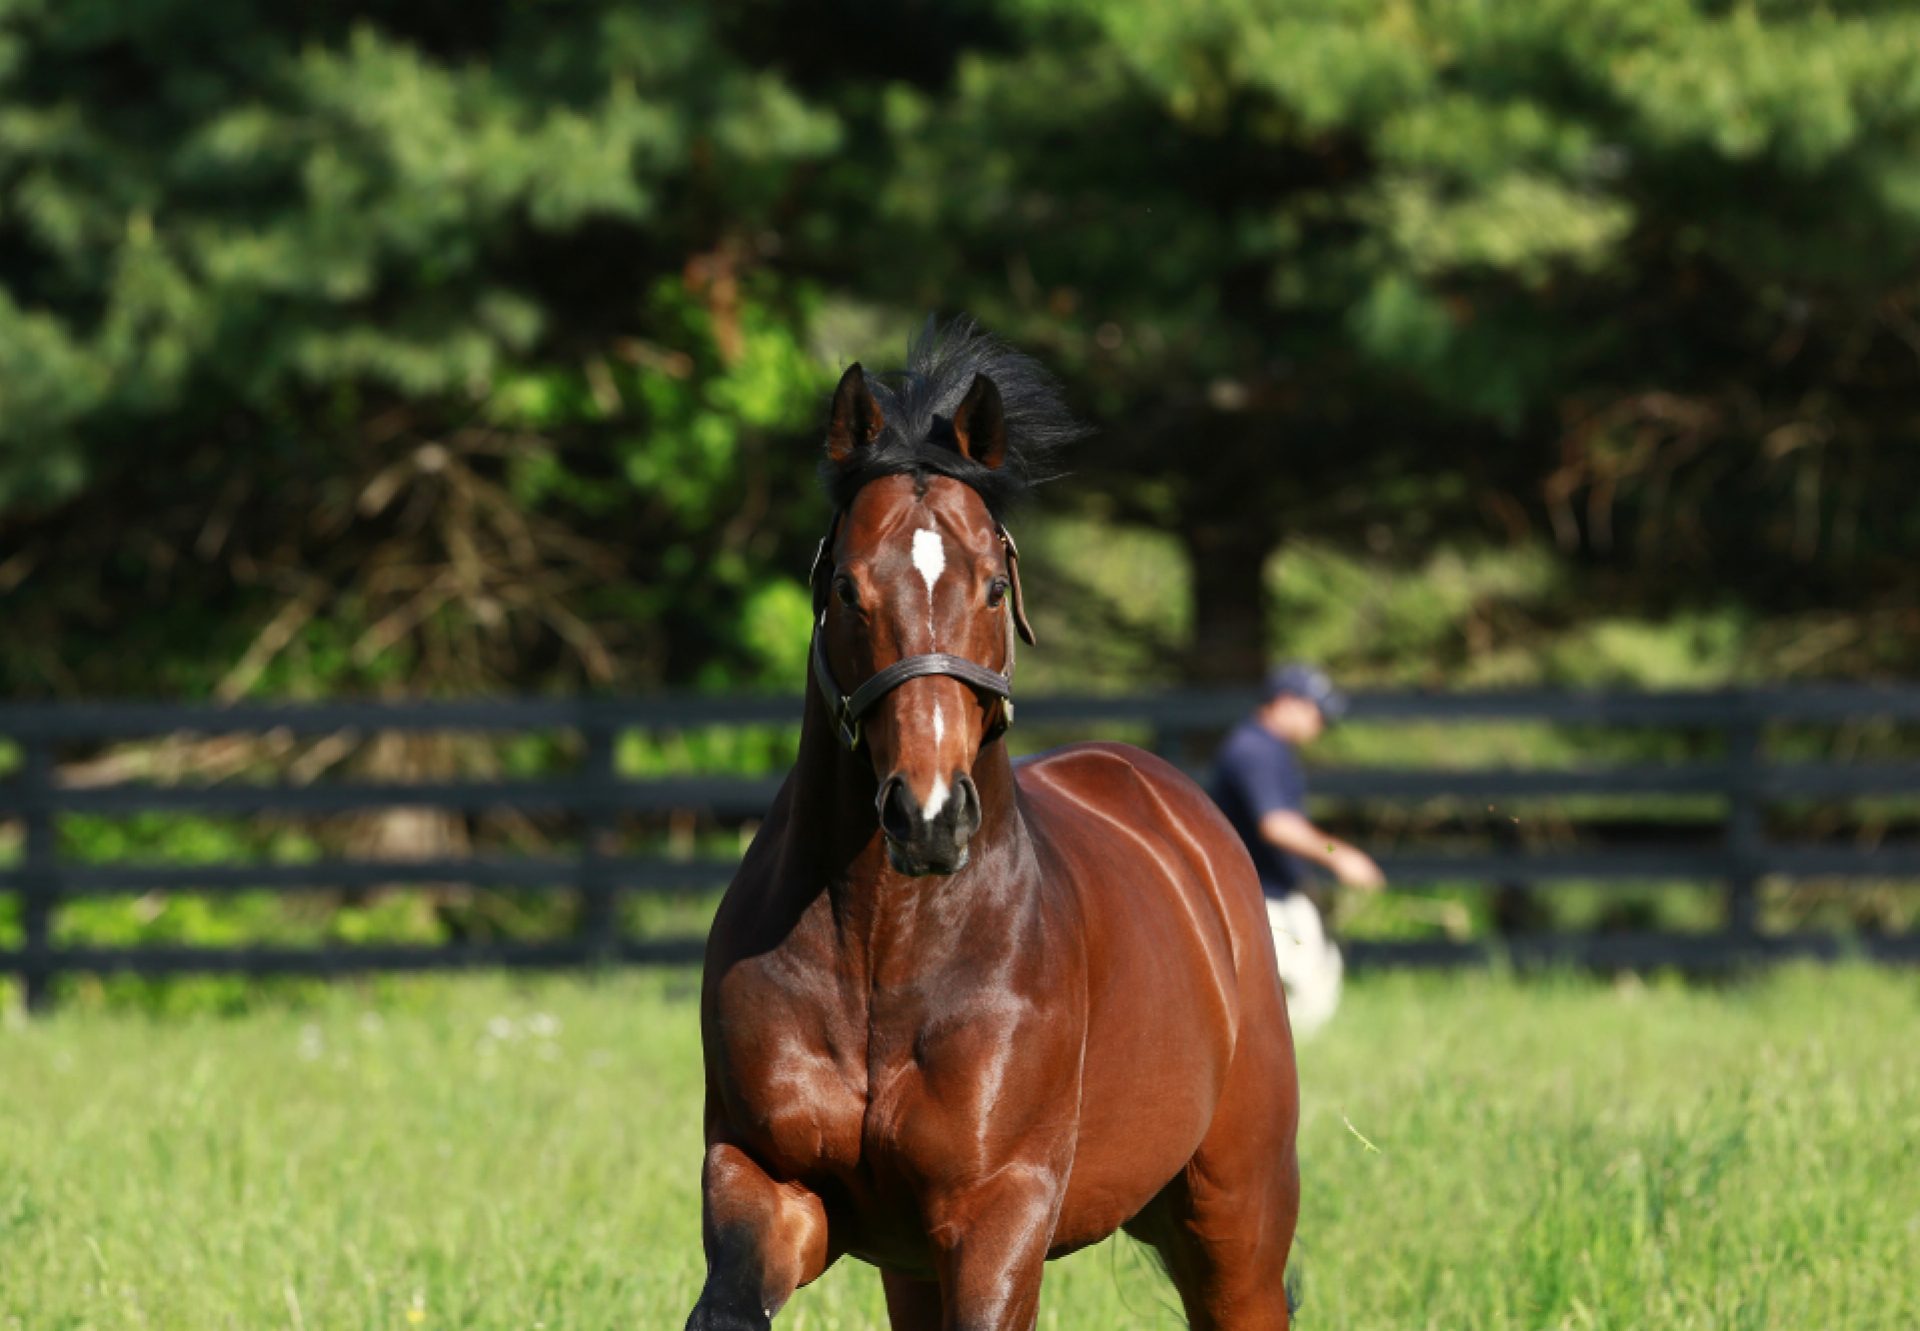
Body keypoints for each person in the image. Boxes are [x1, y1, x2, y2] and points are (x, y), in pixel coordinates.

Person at [1209, 663, 1384, 1039]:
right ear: (1285, 702)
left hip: (1273, 892)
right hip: (1255, 898)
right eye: (1315, 709)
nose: (1321, 721)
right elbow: (1277, 824)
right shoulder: (1253, 750)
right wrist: (1341, 855)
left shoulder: (1270, 749)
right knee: (1305, 993)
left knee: (1317, 982)